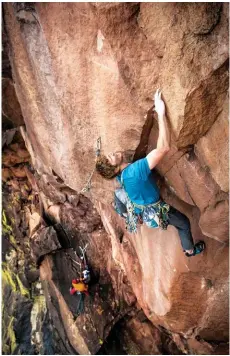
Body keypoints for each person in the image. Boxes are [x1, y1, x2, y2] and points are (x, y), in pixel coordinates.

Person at [95, 89, 205, 257]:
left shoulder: (121, 175)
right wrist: (161, 114)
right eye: (111, 158)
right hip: (153, 209)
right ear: (114, 168)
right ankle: (189, 251)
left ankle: (124, 211)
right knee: (183, 222)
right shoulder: (133, 172)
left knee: (119, 194)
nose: (112, 154)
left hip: (140, 206)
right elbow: (164, 148)